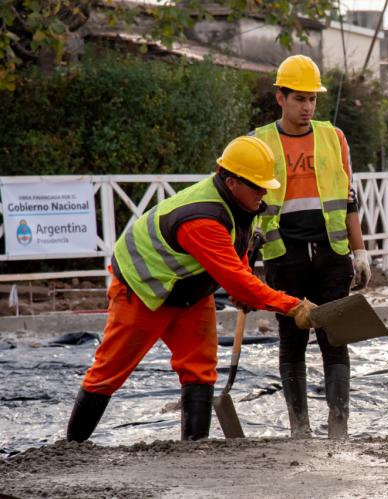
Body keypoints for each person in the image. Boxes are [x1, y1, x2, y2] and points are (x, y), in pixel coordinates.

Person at [66, 136, 318, 443]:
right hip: (143, 290)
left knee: (200, 369)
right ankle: (71, 448)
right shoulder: (202, 219)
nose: (263, 192)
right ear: (231, 181)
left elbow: (236, 256)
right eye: (257, 185)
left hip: (189, 289)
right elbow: (235, 279)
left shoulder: (242, 205)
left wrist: (244, 283)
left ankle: (194, 450)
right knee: (110, 371)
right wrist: (291, 306)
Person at [252, 54, 369, 439]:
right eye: (299, 98)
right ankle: (299, 428)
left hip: (332, 255)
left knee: (336, 340)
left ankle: (339, 427)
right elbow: (246, 209)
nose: (307, 107)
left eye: (312, 99)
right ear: (280, 98)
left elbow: (348, 198)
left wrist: (359, 250)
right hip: (284, 258)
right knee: (292, 342)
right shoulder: (260, 143)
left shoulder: (333, 138)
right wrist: (242, 264)